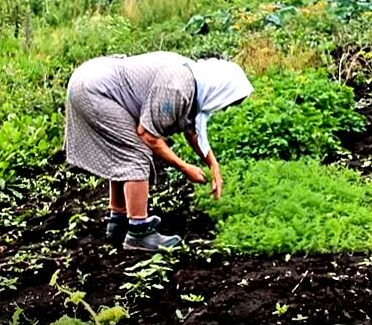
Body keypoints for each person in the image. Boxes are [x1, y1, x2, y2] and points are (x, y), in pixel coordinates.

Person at [64, 51, 253, 251]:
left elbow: (192, 129)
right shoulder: (177, 88)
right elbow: (149, 135)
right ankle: (139, 233)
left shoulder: (194, 79)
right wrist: (184, 167)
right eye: (226, 104)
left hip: (89, 80)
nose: (223, 109)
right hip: (94, 90)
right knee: (135, 154)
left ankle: (118, 221)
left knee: (123, 153)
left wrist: (213, 164)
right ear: (221, 89)